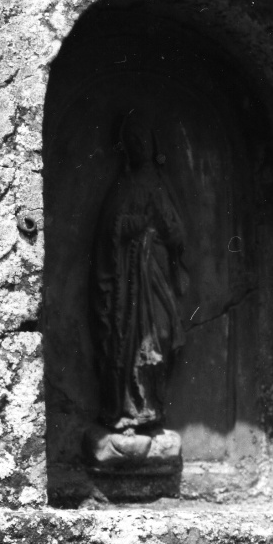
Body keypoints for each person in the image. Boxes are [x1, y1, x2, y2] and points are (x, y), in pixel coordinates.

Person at [90, 113, 188, 431]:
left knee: (160, 334)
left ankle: (152, 407)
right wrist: (136, 225)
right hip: (127, 280)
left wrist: (161, 228)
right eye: (132, 141)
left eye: (143, 139)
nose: (139, 145)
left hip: (154, 276)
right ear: (126, 148)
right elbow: (111, 229)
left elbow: (176, 233)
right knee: (127, 342)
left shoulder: (158, 186)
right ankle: (127, 408)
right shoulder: (125, 186)